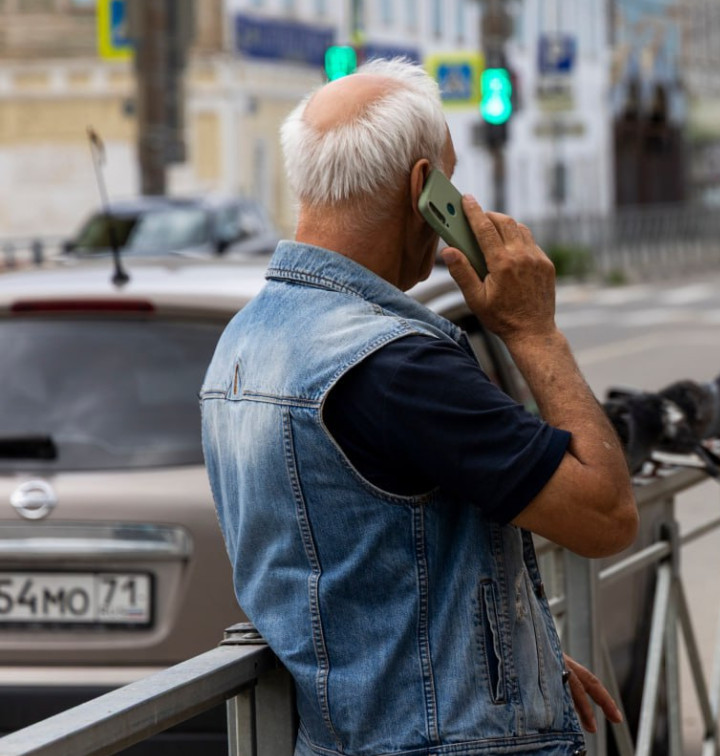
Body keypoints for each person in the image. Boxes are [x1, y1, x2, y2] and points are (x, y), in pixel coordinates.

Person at [200, 58, 638, 756]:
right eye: (451, 178)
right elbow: (605, 515)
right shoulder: (395, 364)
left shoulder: (243, 342)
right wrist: (533, 331)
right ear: (421, 185)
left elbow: (349, 562)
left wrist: (513, 669)